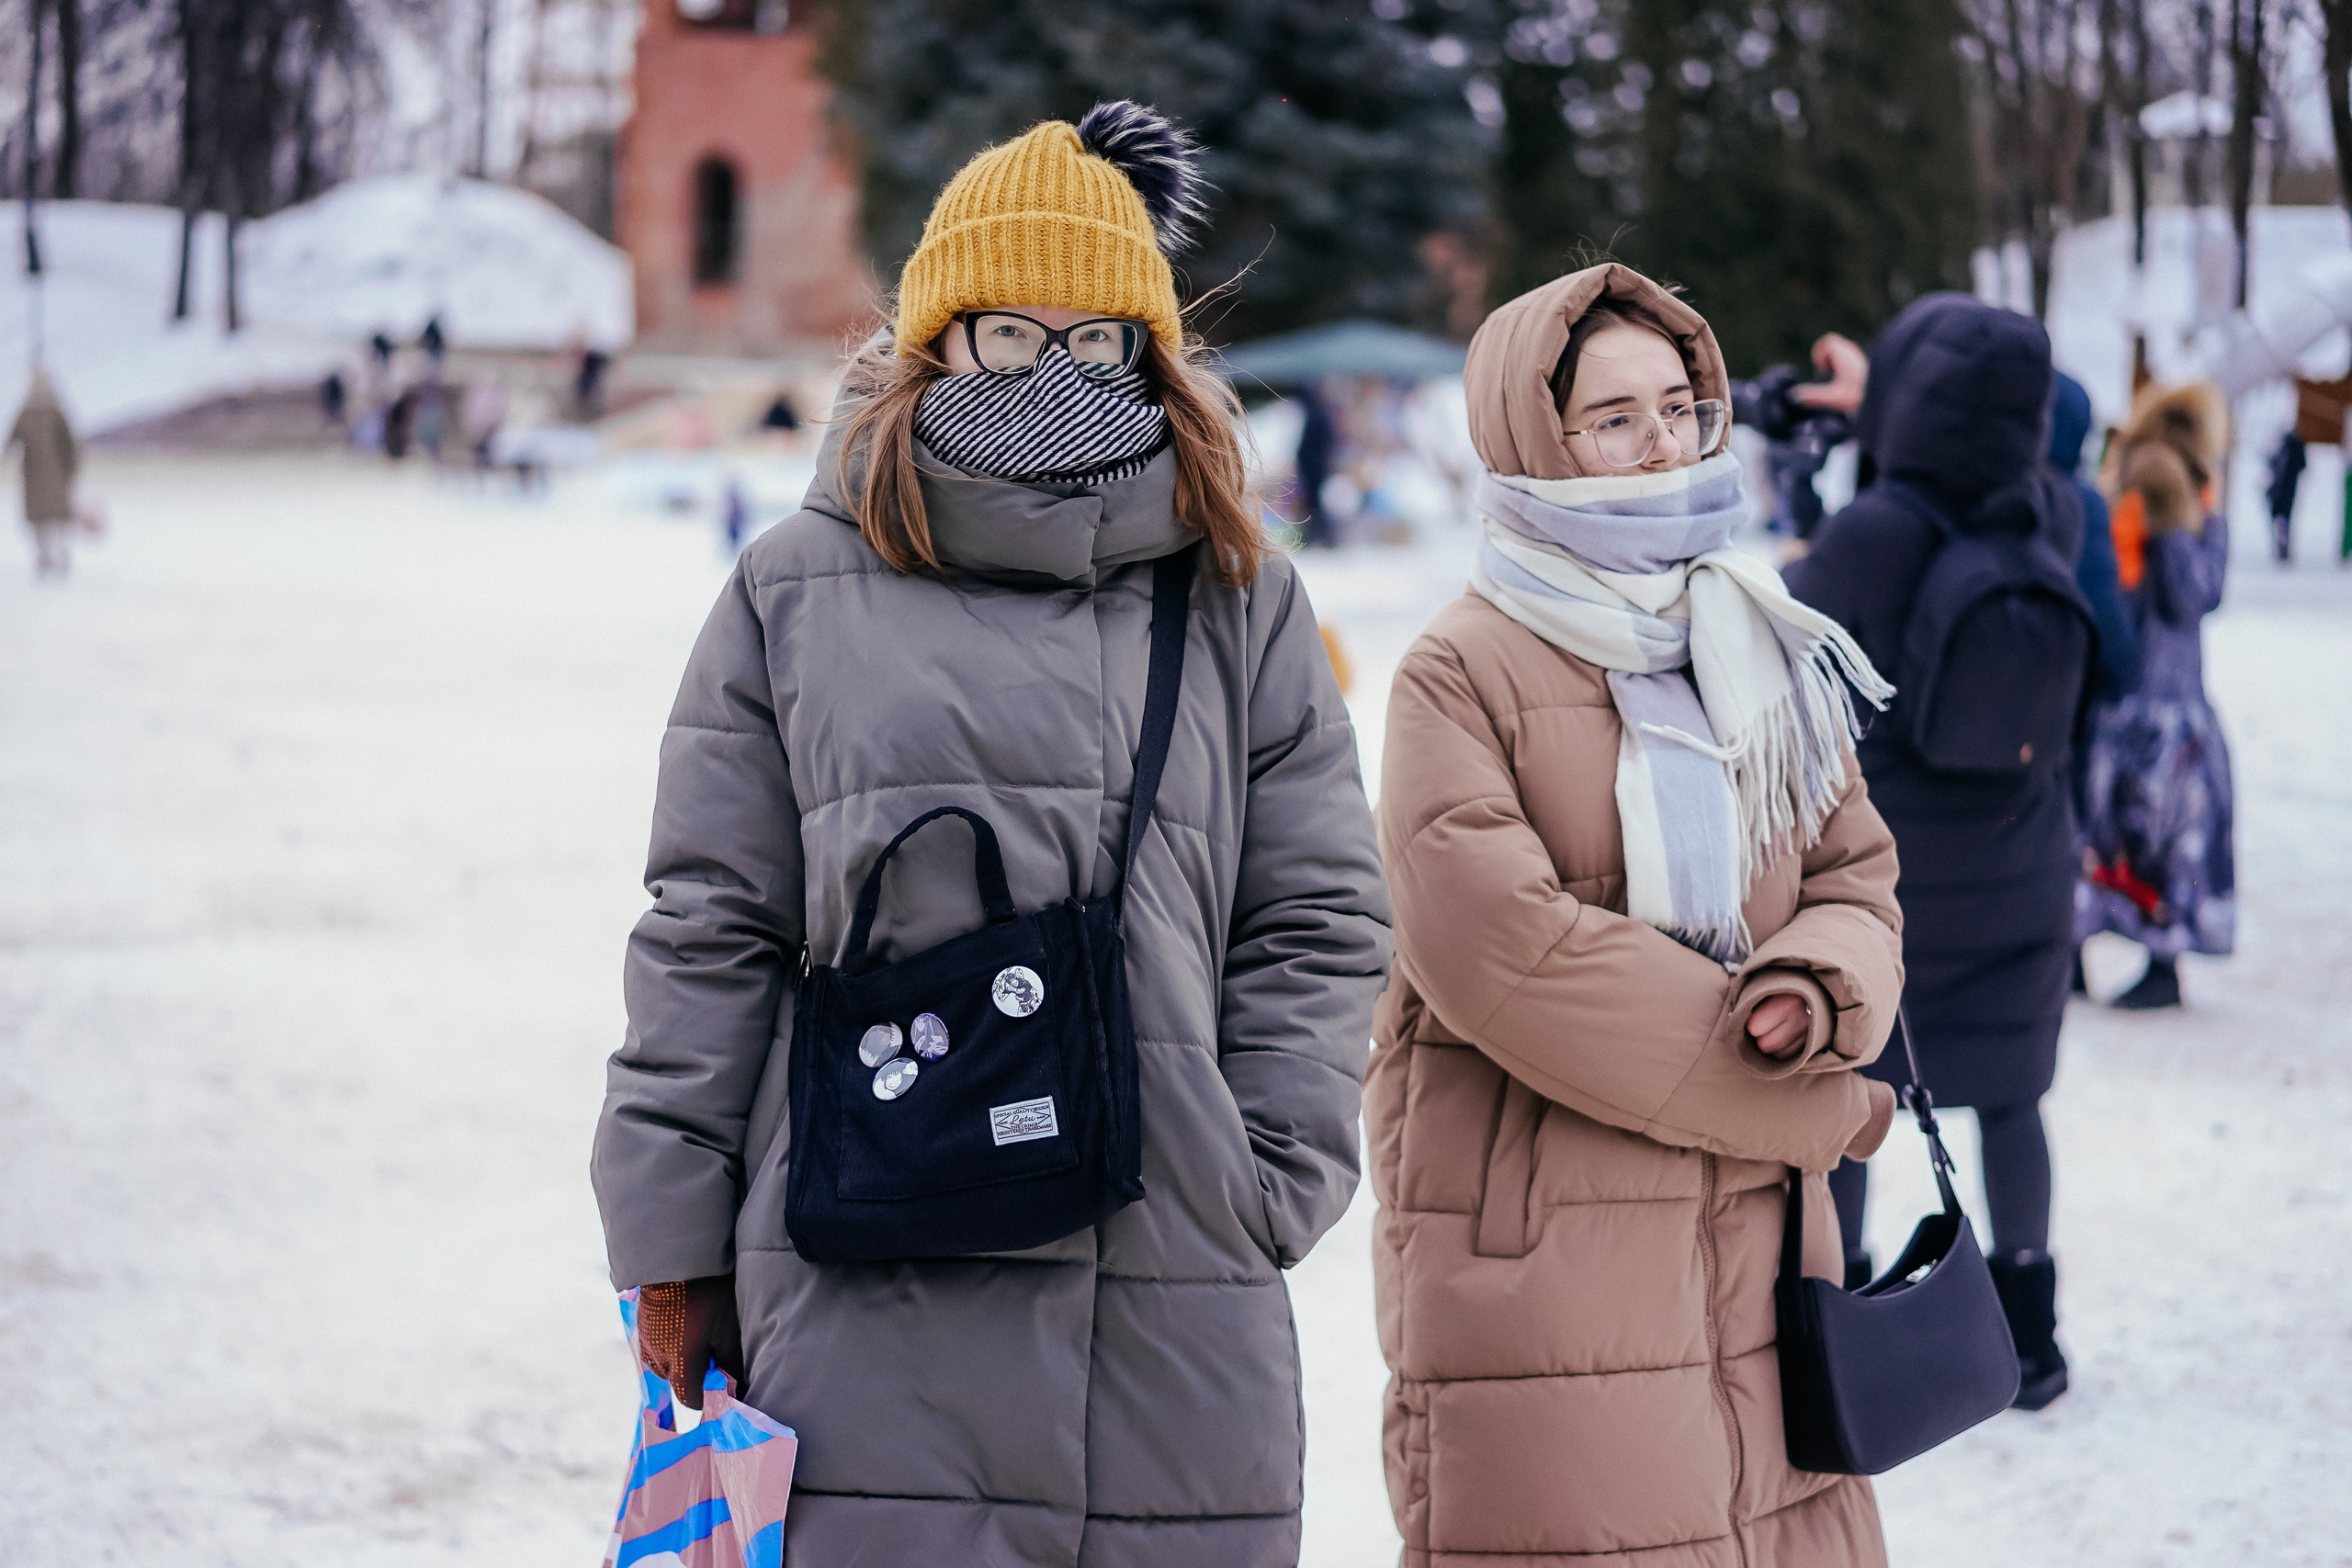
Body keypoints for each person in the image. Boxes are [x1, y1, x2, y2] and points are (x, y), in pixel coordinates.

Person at [592, 101, 1391, 1564]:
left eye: (1096, 341)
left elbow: (1322, 908)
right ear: (936, 340)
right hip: (861, 1279)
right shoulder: (794, 588)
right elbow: (712, 922)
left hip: (1172, 1282)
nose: (1053, 371)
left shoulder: (1235, 592)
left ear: (1150, 352)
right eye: (1010, 335)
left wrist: (1264, 1160)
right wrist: (667, 1232)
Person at [1370, 263, 1905, 1568]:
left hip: (1768, 1242)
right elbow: (1508, 957)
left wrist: (1818, 989)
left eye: (1679, 405)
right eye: (1613, 419)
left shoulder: (1763, 638)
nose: (1660, 441)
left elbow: (1856, 876)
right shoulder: (1462, 667)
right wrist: (1801, 1102)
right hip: (1548, 1244)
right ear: (1532, 437)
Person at [1784, 294, 2090, 1413]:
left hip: (1898, 872)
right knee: (2011, 1099)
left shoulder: (1876, 531)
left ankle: (1847, 1314)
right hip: (2023, 859)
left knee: (1857, 1098)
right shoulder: (2048, 514)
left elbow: (1787, 664)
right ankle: (2032, 1340)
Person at [2075, 381, 2236, 1010]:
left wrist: (2175, 522)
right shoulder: (2148, 487)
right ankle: (2127, 955)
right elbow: (2185, 592)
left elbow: (2182, 592)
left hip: (2143, 697)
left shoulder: (2154, 483)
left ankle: (2126, 958)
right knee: (2143, 833)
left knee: (2126, 828)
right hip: (2143, 698)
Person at [9, 369, 81, 581]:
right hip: (34, 476)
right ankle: (44, 557)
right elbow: (12, 440)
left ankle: (59, 556)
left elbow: (68, 443)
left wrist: (71, 469)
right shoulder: (26, 413)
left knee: (56, 519)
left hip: (56, 474)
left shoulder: (55, 412)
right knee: (41, 520)